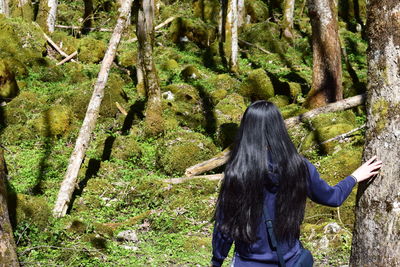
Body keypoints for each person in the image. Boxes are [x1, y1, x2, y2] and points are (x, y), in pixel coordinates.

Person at [211, 100, 382, 267]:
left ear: (247, 130)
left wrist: (216, 261)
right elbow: (332, 198)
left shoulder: (238, 172)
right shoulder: (298, 167)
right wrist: (354, 177)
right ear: (278, 128)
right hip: (289, 260)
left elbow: (224, 228)